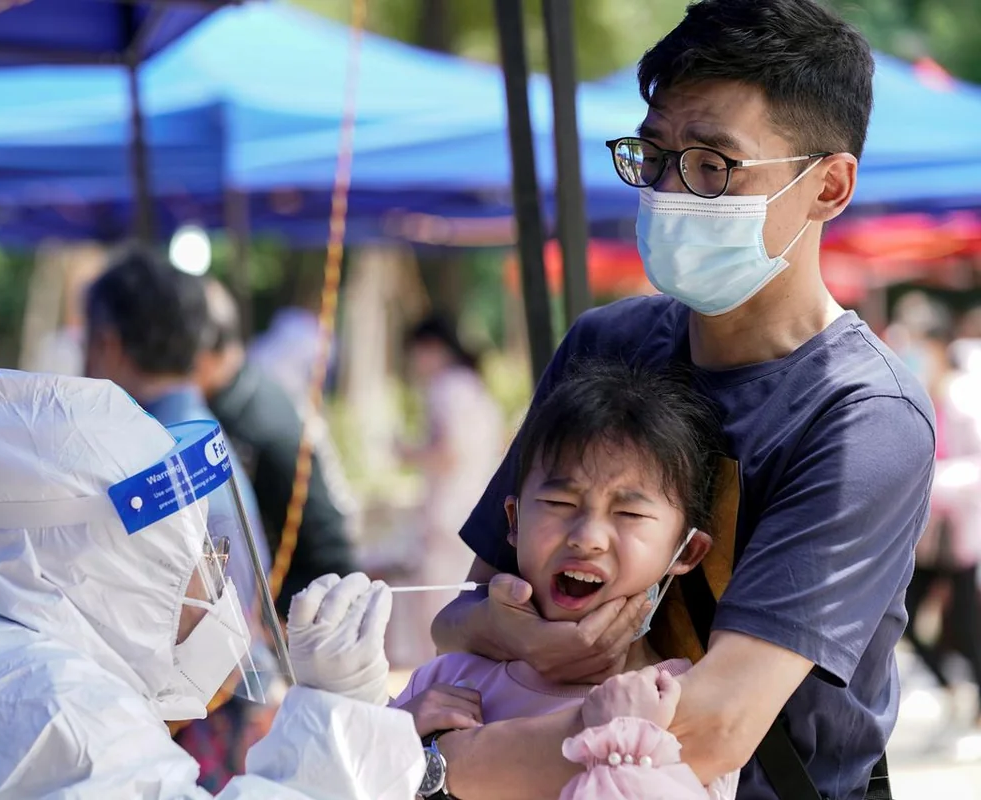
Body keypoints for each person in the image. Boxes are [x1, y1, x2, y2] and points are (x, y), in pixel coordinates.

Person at [424, 2, 935, 799]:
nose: (669, 189)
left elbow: (713, 726)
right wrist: (512, 631)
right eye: (655, 155)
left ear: (828, 186)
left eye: (713, 165)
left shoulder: (863, 416)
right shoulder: (606, 345)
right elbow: (460, 612)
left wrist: (443, 767)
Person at [0, 370, 425, 799]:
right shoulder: (68, 716)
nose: (217, 579)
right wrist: (341, 719)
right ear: (118, 571)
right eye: (199, 549)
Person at [392, 360, 738, 798]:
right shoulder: (448, 681)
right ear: (513, 522)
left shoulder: (681, 707)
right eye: (559, 502)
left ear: (686, 550)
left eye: (629, 514)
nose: (587, 538)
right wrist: (396, 736)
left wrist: (629, 755)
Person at [83, 245, 270, 790]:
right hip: (229, 701)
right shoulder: (199, 437)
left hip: (197, 720)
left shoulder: (143, 458)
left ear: (107, 344)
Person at [196, 278, 360, 614]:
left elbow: (327, 545)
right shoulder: (224, 403)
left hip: (276, 619)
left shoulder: (264, 422)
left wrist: (282, 626)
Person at [394, 315, 505, 666]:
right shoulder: (474, 386)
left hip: (448, 510)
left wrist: (406, 452)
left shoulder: (445, 388)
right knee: (463, 599)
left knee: (437, 603)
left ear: (431, 349)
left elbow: (448, 452)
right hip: (478, 505)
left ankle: (435, 676)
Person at [906, 320, 981, 713]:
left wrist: (935, 481)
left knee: (967, 627)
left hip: (960, 534)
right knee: (908, 621)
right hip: (930, 536)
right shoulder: (923, 396)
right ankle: (953, 690)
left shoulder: (965, 399)